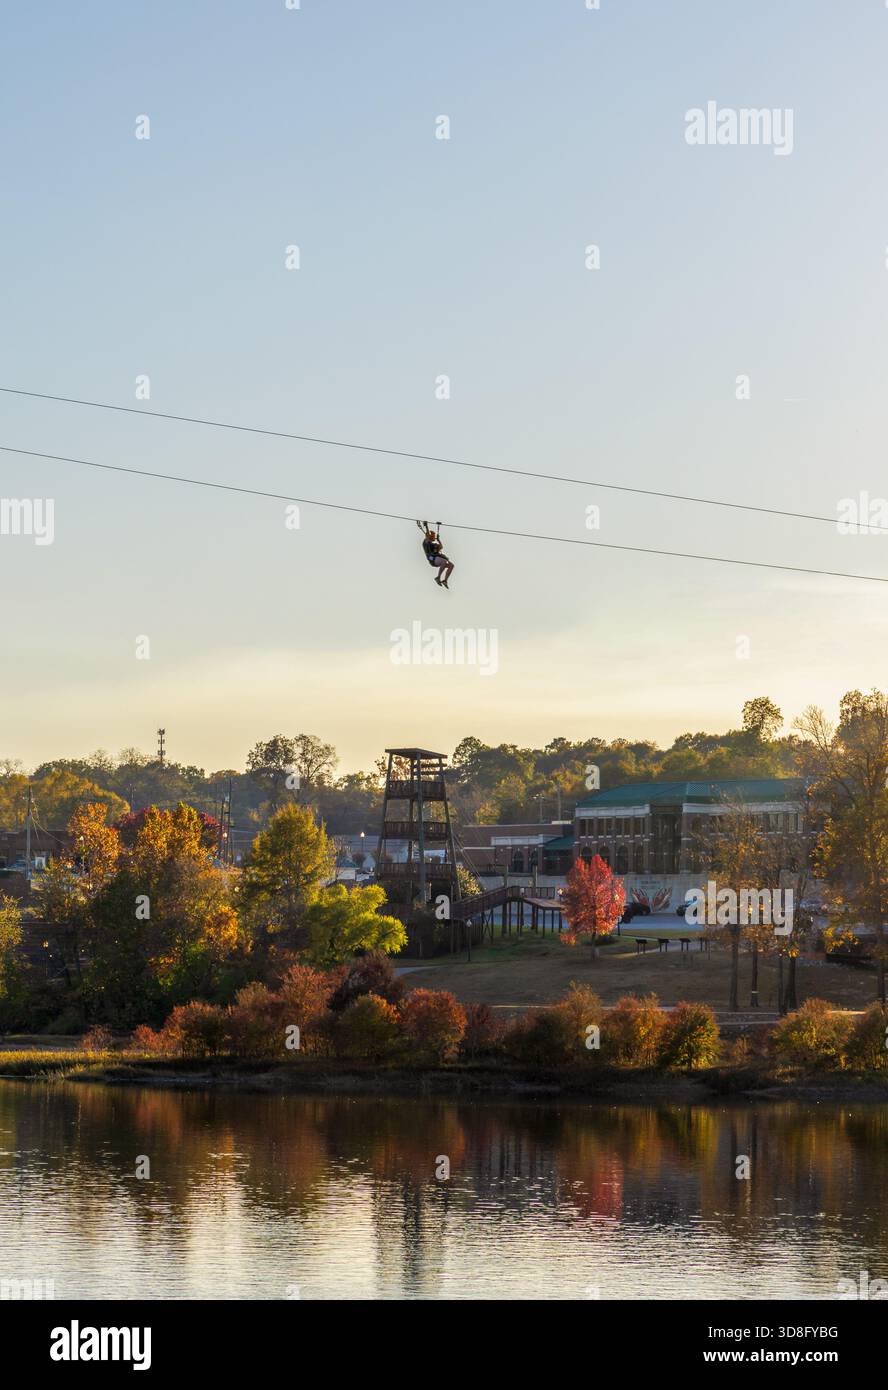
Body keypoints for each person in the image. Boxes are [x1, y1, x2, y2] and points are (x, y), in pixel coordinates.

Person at [416, 519, 454, 588]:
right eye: (433, 536)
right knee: (444, 561)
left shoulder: (434, 544)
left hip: (437, 559)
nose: (434, 537)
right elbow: (427, 535)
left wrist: (439, 540)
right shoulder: (426, 542)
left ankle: (445, 580)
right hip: (432, 559)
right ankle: (438, 577)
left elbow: (441, 547)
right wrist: (426, 526)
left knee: (451, 565)